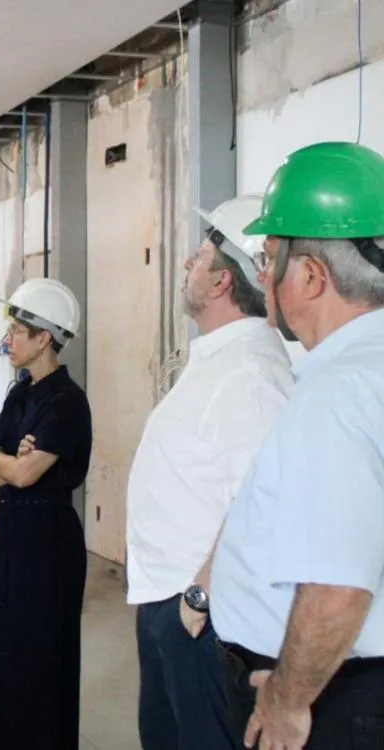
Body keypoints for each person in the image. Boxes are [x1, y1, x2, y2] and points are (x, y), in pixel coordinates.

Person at [209, 141, 384, 750]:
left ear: (309, 275)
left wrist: (286, 701)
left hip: (336, 701)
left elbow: (339, 585)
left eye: (270, 255)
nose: (263, 274)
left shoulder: (337, 393)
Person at [125, 196, 295, 749]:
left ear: (222, 281)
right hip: (169, 599)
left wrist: (198, 598)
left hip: (199, 614)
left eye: (197, 256)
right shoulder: (222, 358)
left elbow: (263, 502)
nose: (186, 266)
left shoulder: (250, 372)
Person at [0, 278, 92, 750]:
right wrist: (10, 460)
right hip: (14, 530)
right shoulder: (20, 394)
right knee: (5, 643)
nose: (9, 339)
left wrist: (12, 464)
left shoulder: (66, 401)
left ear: (45, 338)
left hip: (48, 538)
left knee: (40, 650)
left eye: (19, 330)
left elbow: (23, 475)